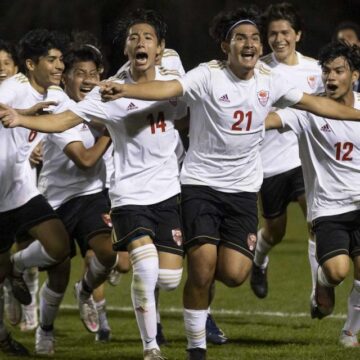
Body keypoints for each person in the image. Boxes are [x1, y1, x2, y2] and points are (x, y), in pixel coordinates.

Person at [70, 7, 360, 360]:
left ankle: (210, 291)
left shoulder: (271, 79)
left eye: (255, 37)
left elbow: (318, 105)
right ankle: (196, 347)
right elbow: (170, 88)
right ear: (226, 45)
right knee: (201, 267)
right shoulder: (207, 75)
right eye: (241, 38)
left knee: (235, 273)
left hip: (242, 191)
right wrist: (128, 88)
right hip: (200, 186)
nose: (251, 43)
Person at [0, 9, 187, 360]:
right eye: (133, 37)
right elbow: (75, 141)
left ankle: (81, 290)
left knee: (162, 277)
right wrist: (23, 118)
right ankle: (144, 348)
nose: (86, 78)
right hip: (74, 197)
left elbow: (178, 92)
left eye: (148, 37)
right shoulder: (97, 97)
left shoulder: (168, 75)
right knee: (69, 268)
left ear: (160, 48)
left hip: (141, 191)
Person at [265, 40, 360, 347]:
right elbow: (274, 119)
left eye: (339, 71)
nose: (331, 77)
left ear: (354, 75)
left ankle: (349, 332)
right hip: (328, 208)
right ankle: (322, 281)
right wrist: (239, 122)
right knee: (337, 271)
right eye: (326, 70)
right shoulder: (308, 110)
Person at [0, 29, 73, 356]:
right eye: (52, 60)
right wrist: (30, 115)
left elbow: (76, 117)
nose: (59, 66)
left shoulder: (56, 94)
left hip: (23, 187)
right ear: (30, 64)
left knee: (59, 246)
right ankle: (3, 337)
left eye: (61, 59)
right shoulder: (14, 88)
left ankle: (16, 268)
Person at [41, 41, 117, 341]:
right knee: (57, 275)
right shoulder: (60, 107)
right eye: (79, 72)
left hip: (91, 195)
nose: (87, 79)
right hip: (55, 201)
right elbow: (86, 159)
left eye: (93, 72)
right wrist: (113, 130)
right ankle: (45, 331)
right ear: (66, 77)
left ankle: (85, 291)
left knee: (110, 254)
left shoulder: (103, 102)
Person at [250, 2, 323, 300]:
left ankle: (319, 290)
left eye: (285, 32)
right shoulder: (258, 70)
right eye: (273, 34)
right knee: (274, 230)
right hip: (269, 165)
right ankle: (259, 260)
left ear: (298, 35)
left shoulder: (315, 69)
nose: (279, 39)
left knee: (315, 221)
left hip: (303, 161)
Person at [0, 38, 29, 357]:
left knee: (54, 243)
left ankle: (16, 271)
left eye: (4, 64)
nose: (0, 71)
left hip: (16, 186)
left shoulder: (21, 90)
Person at [333, 21, 360, 92]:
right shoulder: (332, 70)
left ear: (359, 42)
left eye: (349, 37)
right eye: (341, 40)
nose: (345, 41)